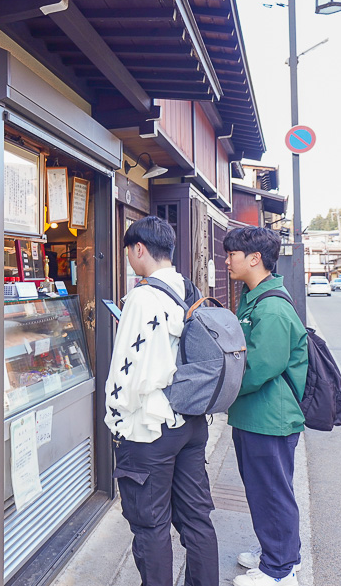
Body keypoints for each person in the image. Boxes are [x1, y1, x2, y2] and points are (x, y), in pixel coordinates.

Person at [105, 216, 218, 586]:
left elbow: (129, 368)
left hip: (150, 427)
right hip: (190, 421)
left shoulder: (142, 297)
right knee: (196, 518)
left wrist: (115, 420)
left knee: (150, 525)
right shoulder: (187, 288)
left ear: (139, 249)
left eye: (128, 251)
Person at [223, 227, 309, 586]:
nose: (226, 260)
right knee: (265, 490)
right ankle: (279, 554)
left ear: (254, 258)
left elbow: (259, 366)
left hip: (268, 417)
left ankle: (279, 571)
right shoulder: (255, 297)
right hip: (257, 415)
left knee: (272, 493)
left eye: (232, 254)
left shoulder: (271, 307)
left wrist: (217, 391)